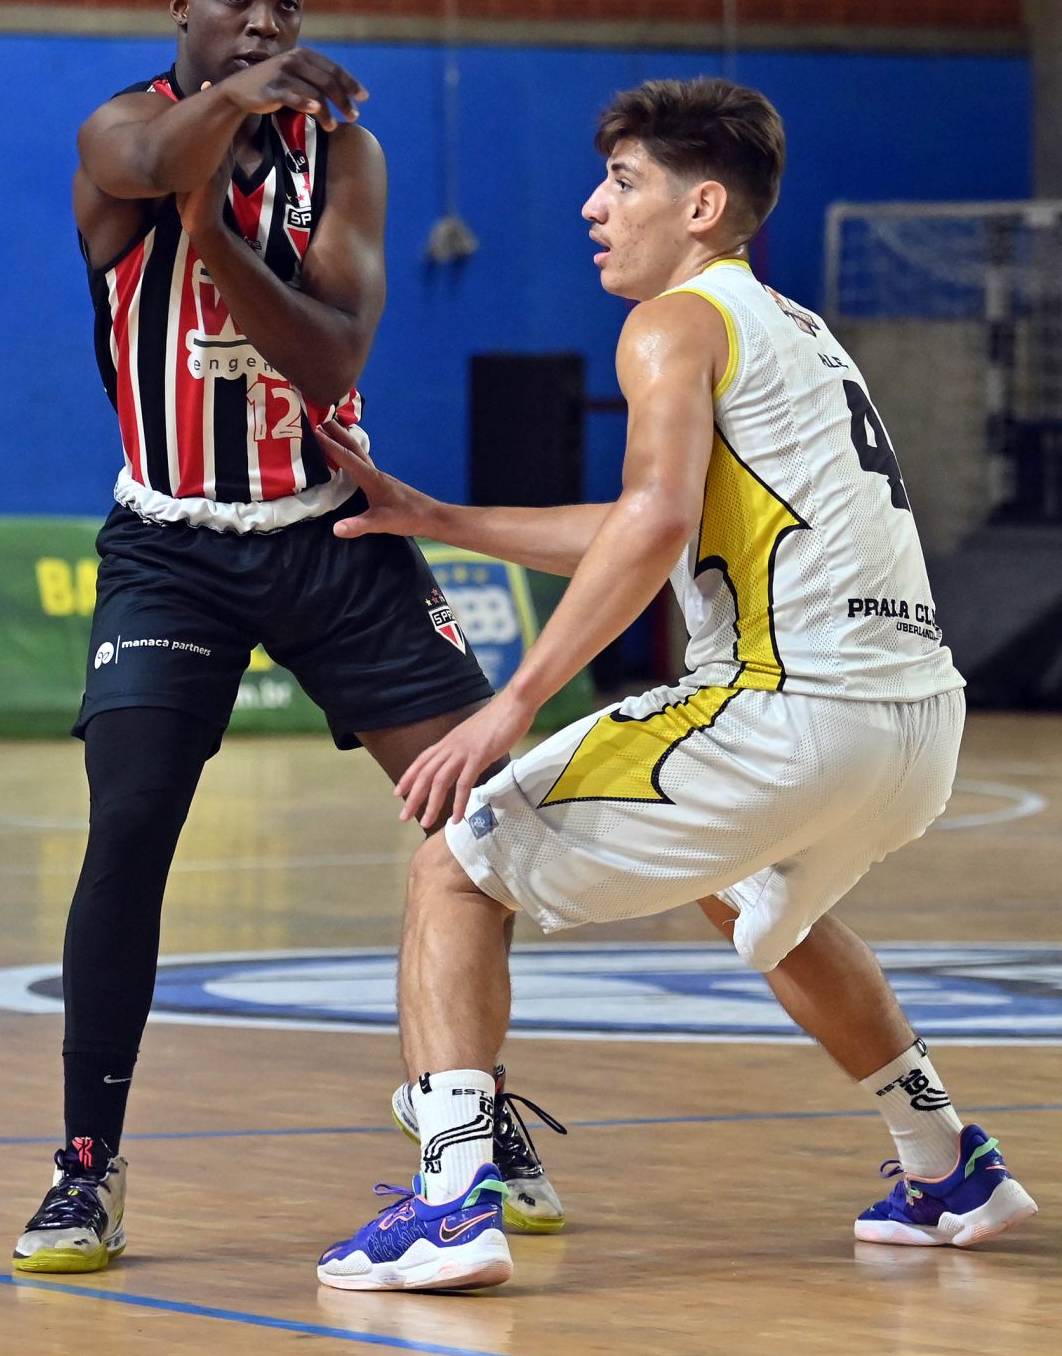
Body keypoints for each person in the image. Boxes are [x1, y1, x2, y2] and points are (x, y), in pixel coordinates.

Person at [314, 76, 1038, 1292]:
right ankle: (946, 1163)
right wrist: (440, 518)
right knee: (749, 890)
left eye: (623, 182)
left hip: (788, 705)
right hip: (919, 729)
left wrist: (511, 702)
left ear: (702, 206)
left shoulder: (673, 322)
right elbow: (654, 519)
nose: (594, 208)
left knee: (454, 868)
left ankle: (449, 1205)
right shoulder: (795, 330)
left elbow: (650, 530)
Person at [11, 0, 562, 1273]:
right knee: (130, 827)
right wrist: (235, 114)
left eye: (290, 3)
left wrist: (211, 239)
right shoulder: (117, 132)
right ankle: (86, 1163)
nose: (268, 21)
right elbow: (153, 161)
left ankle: (467, 1112)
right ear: (182, 7)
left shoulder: (344, 154)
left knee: (485, 818)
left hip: (334, 532)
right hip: (172, 547)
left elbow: (327, 359)